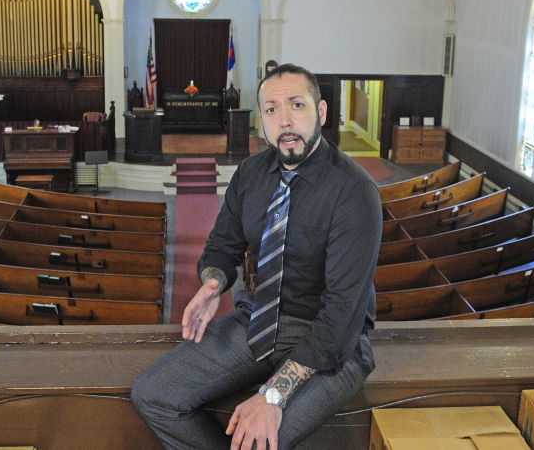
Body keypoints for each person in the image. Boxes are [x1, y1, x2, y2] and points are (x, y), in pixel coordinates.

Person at [132, 64, 382, 450]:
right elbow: (222, 246)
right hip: (259, 319)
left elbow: (341, 317)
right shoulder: (251, 173)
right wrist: (213, 283)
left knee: (255, 443)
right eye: (271, 109)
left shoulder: (354, 192)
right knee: (153, 395)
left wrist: (271, 397)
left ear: (322, 112)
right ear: (260, 120)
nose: (284, 120)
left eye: (296, 105)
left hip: (333, 340)